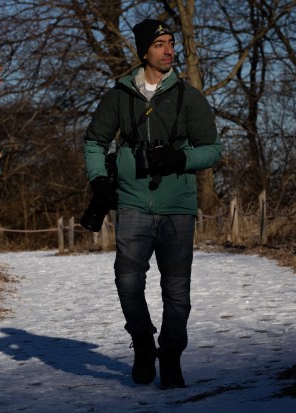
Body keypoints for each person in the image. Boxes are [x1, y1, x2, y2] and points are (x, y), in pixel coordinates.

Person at [82, 18, 222, 389]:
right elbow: (95, 142)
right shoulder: (118, 96)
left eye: (171, 43)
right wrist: (98, 179)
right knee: (127, 281)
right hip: (132, 204)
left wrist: (181, 159)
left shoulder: (189, 97)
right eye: (160, 43)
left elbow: (213, 149)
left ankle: (171, 356)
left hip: (177, 206)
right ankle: (143, 344)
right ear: (144, 51)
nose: (168, 50)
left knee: (177, 289)